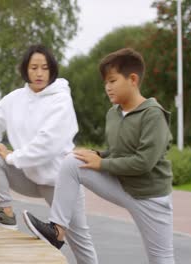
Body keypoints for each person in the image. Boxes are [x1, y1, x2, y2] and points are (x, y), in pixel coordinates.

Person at [23, 48, 175, 264]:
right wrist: (97, 155)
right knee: (72, 161)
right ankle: (56, 231)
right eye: (105, 82)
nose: (107, 87)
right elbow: (118, 153)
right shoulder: (113, 114)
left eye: (112, 81)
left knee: (161, 259)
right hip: (122, 185)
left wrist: (101, 162)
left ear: (133, 79)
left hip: (150, 198)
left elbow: (144, 162)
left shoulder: (153, 115)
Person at [0, 44, 98, 263]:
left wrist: (12, 157)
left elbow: (47, 143)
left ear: (52, 70)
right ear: (26, 70)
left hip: (60, 182)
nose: (39, 73)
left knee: (80, 239)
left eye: (44, 67)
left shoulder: (61, 99)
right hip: (27, 176)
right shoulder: (14, 99)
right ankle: (6, 213)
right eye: (34, 67)